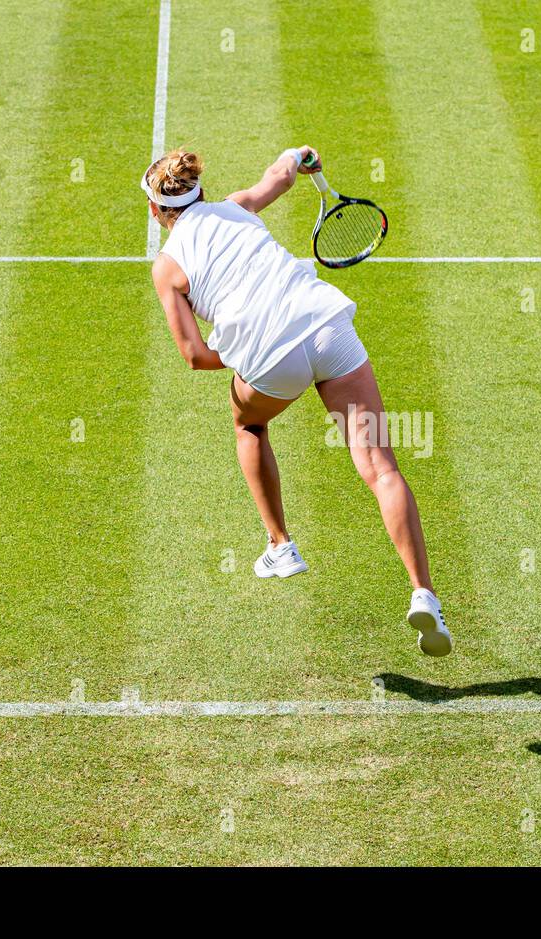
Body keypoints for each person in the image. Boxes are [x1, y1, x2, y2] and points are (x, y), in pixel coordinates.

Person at [144, 145, 452, 656]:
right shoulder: (237, 206)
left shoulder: (166, 267)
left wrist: (245, 350)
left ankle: (280, 544)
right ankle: (424, 593)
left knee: (249, 425)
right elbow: (281, 174)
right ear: (199, 192)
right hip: (328, 326)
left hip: (271, 361)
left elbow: (195, 356)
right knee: (381, 469)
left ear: (156, 210)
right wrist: (299, 154)